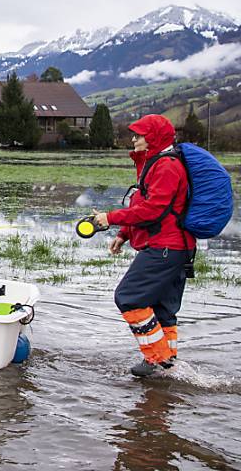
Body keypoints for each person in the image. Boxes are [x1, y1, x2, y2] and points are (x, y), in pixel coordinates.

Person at [93, 114, 195, 377]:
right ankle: (170, 369)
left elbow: (153, 210)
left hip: (165, 247)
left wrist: (111, 218)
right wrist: (125, 234)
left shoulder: (166, 166)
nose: (134, 139)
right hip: (175, 247)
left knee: (129, 297)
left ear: (154, 138)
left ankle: (157, 360)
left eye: (139, 134)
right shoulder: (156, 164)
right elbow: (145, 206)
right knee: (163, 310)